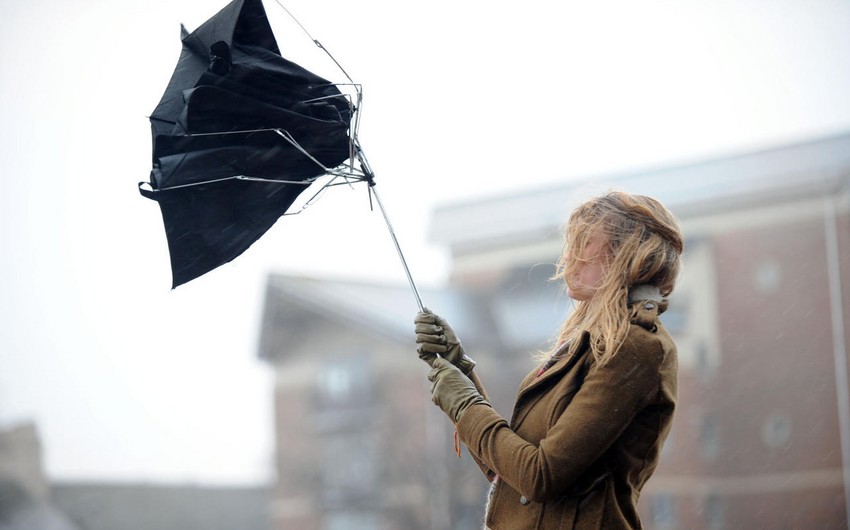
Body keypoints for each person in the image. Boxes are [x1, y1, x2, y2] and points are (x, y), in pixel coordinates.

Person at [414, 190, 684, 529]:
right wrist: (461, 372)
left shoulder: (637, 348)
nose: (569, 255)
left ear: (626, 253)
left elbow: (540, 476)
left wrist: (466, 406)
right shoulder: (588, 344)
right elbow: (511, 476)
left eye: (585, 242)